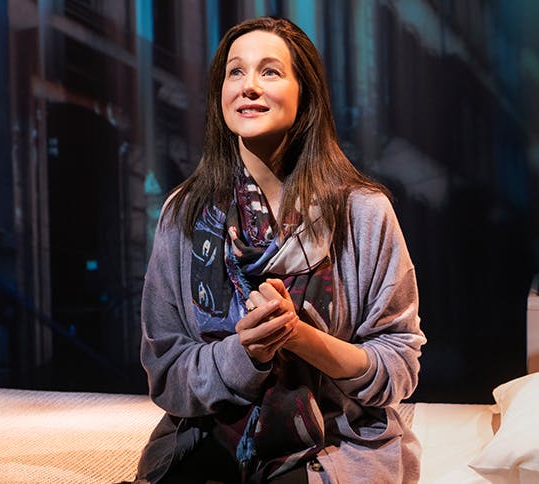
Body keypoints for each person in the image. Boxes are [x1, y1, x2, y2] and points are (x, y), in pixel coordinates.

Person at [135, 16, 425, 483]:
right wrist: (245, 354)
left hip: (331, 444)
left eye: (270, 71)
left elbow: (398, 365)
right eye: (235, 71)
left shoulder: (363, 212)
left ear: (304, 94)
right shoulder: (183, 214)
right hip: (206, 439)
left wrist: (299, 337)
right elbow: (167, 372)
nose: (248, 85)